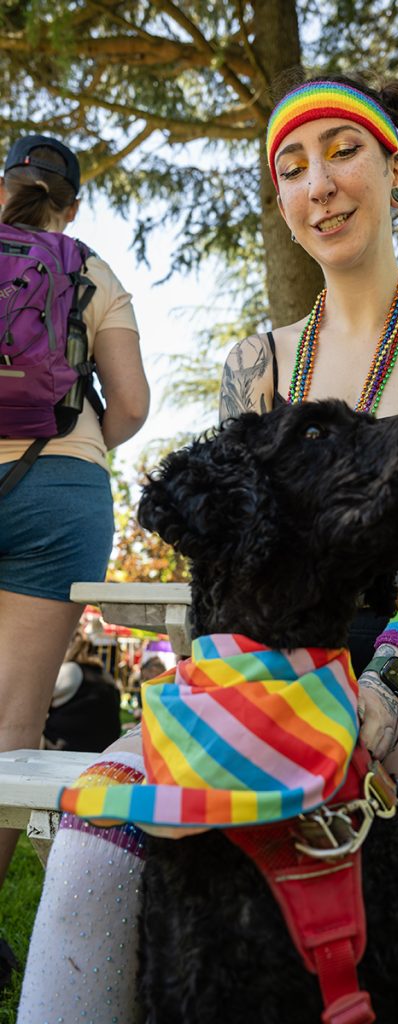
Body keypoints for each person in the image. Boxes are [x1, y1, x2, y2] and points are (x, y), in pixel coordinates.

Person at [19, 77, 398, 1024]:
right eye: (292, 167)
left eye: (343, 151)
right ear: (282, 200)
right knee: (94, 842)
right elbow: (231, 560)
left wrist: (377, 695)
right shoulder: (256, 362)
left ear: (397, 169)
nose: (318, 184)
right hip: (258, 681)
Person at [0, 135, 148, 986]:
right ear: (73, 203)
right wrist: (84, 443)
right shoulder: (90, 266)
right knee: (13, 723)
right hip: (60, 489)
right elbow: (131, 402)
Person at [43, 629, 121, 752]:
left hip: (67, 748)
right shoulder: (105, 675)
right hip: (103, 749)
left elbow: (36, 703)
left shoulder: (70, 670)